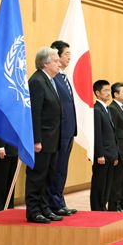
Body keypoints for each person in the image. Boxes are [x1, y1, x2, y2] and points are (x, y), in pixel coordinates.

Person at [26, 47, 63, 223]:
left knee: (48, 176)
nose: (59, 63)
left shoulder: (49, 80)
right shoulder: (37, 81)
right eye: (56, 61)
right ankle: (33, 210)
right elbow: (35, 113)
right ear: (45, 63)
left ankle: (44, 207)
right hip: (42, 140)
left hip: (52, 139)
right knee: (37, 176)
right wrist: (36, 140)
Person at [48, 40, 77, 216]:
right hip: (58, 133)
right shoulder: (53, 78)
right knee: (55, 169)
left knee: (62, 169)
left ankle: (59, 200)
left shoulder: (64, 77)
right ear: (56, 55)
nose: (69, 57)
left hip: (68, 131)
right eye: (67, 54)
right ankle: (54, 203)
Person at [91, 80, 119, 211]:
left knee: (107, 184)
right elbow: (97, 135)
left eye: (109, 90)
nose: (108, 93)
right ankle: (97, 208)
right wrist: (99, 154)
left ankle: (103, 206)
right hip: (102, 155)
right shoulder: (96, 110)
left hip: (110, 154)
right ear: (97, 93)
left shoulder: (106, 109)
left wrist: (115, 155)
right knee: (99, 184)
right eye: (105, 91)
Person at [107, 82, 123, 212]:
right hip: (120, 150)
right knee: (116, 181)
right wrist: (116, 151)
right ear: (115, 94)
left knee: (122, 180)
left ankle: (119, 204)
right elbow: (114, 131)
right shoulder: (112, 108)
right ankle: (113, 205)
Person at [0, 135, 18, 212]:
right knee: (1, 179)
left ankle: (9, 206)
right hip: (3, 149)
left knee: (12, 180)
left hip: (14, 148)